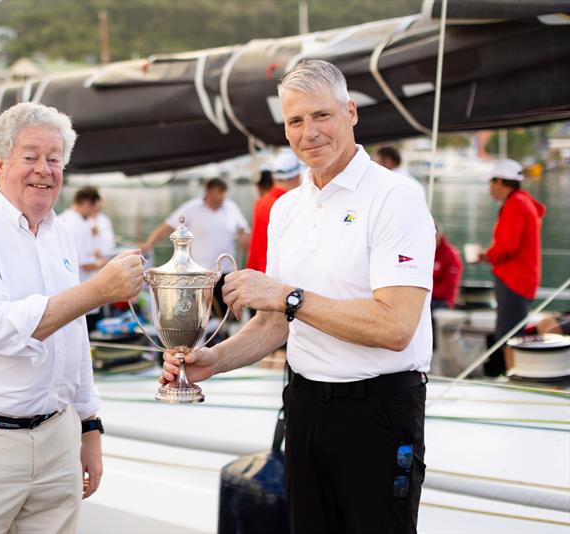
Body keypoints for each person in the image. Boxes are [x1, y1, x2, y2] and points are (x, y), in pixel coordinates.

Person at [161, 60, 435, 533]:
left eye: (321, 115)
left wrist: (289, 297)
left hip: (379, 412)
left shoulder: (395, 198)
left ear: (350, 112)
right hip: (304, 408)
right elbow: (274, 323)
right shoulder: (287, 209)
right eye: (295, 121)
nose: (309, 132)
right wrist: (212, 360)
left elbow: (395, 326)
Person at [0, 102, 143, 533]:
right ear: (0, 162)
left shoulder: (60, 232)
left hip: (56, 437)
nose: (44, 169)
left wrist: (89, 426)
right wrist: (97, 291)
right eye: (31, 156)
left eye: (55, 159)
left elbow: (73, 334)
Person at [139, 177, 250, 318]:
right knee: (199, 315)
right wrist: (149, 244)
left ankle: (225, 336)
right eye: (218, 193)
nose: (221, 197)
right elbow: (167, 227)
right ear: (208, 192)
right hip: (200, 274)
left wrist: (244, 235)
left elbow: (243, 228)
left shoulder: (231, 207)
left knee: (226, 315)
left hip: (226, 272)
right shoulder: (191, 208)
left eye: (223, 193)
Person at [478, 158, 546, 375]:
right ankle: (512, 373)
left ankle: (508, 376)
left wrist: (485, 255)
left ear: (500, 182)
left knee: (507, 335)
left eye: (491, 182)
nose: (490, 188)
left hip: (514, 280)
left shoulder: (515, 204)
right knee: (513, 330)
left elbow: (507, 246)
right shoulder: (523, 201)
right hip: (522, 279)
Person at [59, 186, 111, 330]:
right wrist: (109, 264)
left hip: (67, 292)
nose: (95, 214)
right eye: (95, 210)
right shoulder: (77, 225)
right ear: (88, 204)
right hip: (83, 293)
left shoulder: (63, 218)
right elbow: (86, 264)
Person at [246, 148, 303, 273]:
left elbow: (254, 245)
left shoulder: (260, 202)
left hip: (259, 273)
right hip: (277, 278)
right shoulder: (290, 205)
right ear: (297, 176)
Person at [432, 223, 462, 310]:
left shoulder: (451, 256)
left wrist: (428, 292)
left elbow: (449, 286)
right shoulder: (425, 253)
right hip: (428, 295)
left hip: (443, 300)